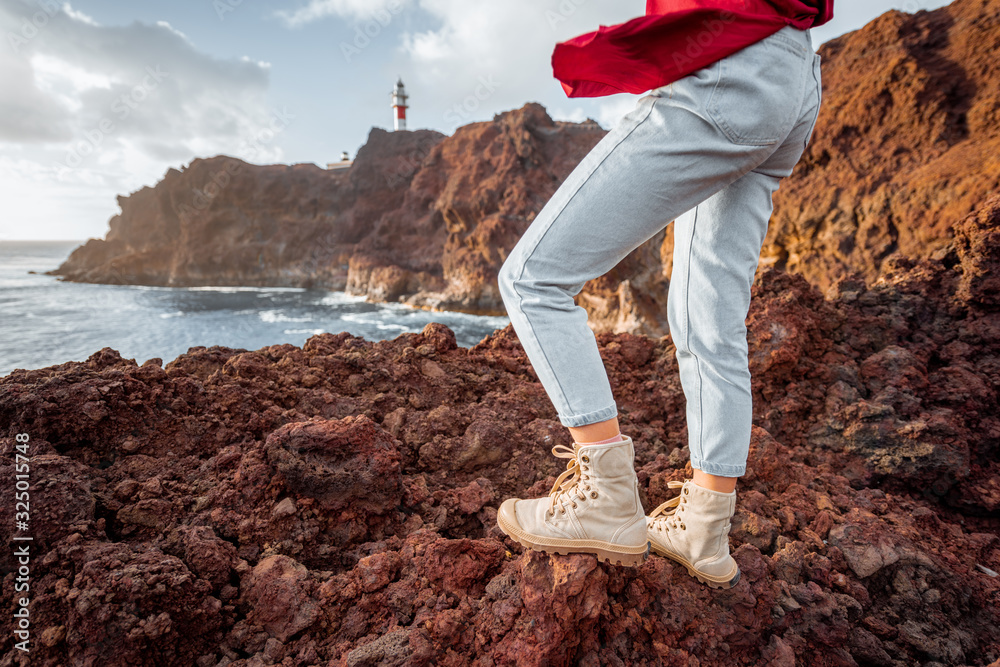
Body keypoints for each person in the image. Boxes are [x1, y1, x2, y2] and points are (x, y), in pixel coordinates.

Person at [495, 0, 832, 589]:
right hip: (792, 75)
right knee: (710, 319)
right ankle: (704, 528)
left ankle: (604, 494)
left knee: (532, 280)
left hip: (729, 66)